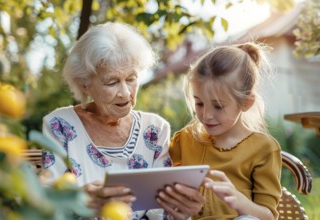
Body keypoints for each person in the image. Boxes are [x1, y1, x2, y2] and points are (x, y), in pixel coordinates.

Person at [41, 22, 202, 220]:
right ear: (85, 84)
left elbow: (159, 212)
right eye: (112, 82)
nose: (125, 93)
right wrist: (80, 202)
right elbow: (46, 205)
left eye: (131, 79)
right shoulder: (60, 125)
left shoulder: (155, 129)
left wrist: (179, 211)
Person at [167, 42, 282, 219]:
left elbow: (268, 215)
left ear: (246, 103)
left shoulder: (264, 148)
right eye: (199, 103)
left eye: (218, 106)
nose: (206, 115)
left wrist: (239, 201)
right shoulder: (185, 139)